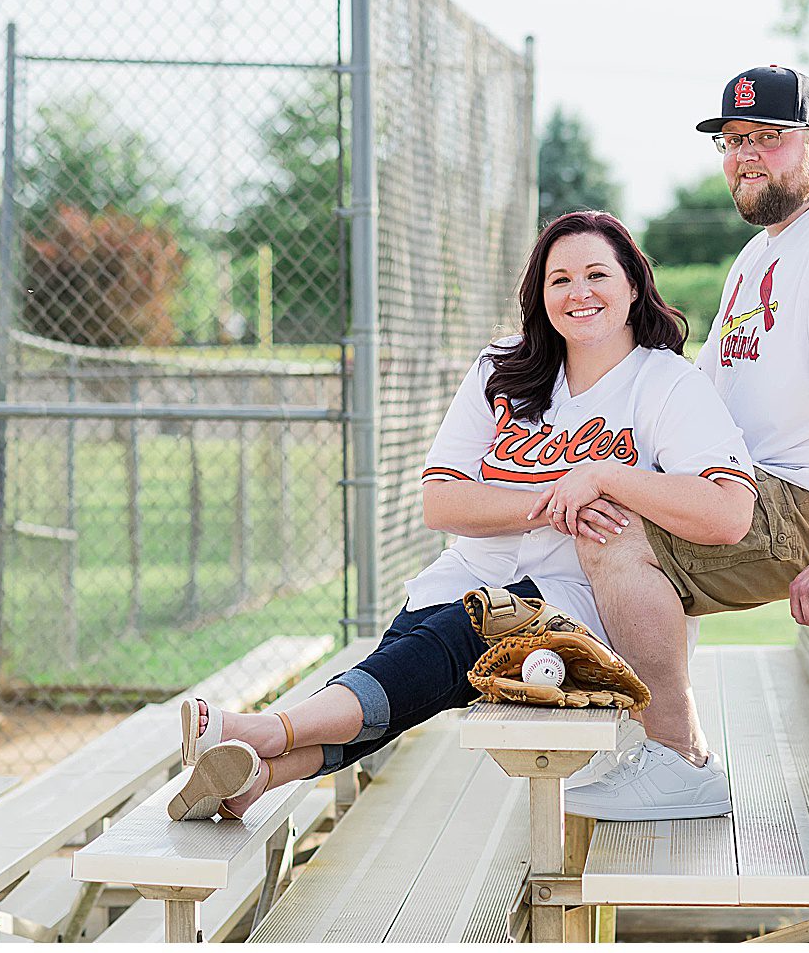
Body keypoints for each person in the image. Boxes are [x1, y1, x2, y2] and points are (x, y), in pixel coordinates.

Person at [167, 209, 756, 823]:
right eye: (559, 280)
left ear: (633, 285)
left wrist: (607, 478)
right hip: (466, 574)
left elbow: (728, 511)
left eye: (597, 275)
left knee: (439, 649)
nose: (579, 293)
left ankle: (265, 731)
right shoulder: (503, 368)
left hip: (581, 599)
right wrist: (560, 495)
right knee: (406, 668)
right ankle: (260, 776)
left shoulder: (665, 383)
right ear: (540, 295)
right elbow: (441, 499)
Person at [563, 64, 809, 822]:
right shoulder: (762, 254)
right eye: (734, 140)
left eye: (769, 139)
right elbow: (705, 385)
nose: (746, 155)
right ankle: (643, 733)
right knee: (600, 503)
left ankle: (678, 761)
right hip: (772, 489)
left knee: (615, 537)